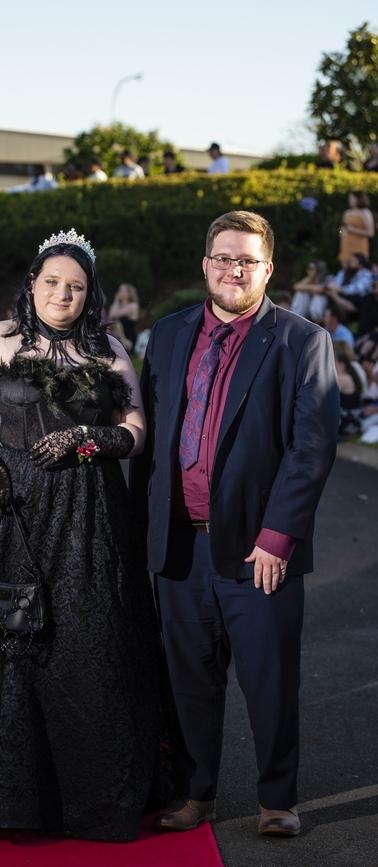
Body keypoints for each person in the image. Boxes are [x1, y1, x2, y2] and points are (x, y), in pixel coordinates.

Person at [0, 228, 166, 842]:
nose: (61, 294)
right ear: (32, 284)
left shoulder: (106, 348)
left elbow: (135, 426)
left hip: (88, 518)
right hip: (6, 509)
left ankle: (84, 802)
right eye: (52, 282)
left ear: (89, 294)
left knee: (84, 641)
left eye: (74, 287)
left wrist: (87, 441)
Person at [131, 210, 339, 839]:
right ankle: (197, 795)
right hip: (180, 547)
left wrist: (278, 536)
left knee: (268, 680)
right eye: (223, 257)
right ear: (205, 263)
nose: (233, 269)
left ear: (267, 269)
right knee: (188, 681)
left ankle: (277, 799)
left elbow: (312, 449)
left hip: (258, 551)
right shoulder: (166, 336)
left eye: (246, 260)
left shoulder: (302, 341)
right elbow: (151, 438)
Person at [324, 253, 374, 319]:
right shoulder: (347, 272)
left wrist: (339, 289)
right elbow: (337, 283)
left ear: (360, 263)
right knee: (331, 297)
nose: (350, 262)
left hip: (360, 301)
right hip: (347, 297)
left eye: (353, 261)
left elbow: (357, 289)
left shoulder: (366, 273)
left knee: (334, 296)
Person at [338, 191, 374, 264]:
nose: (349, 200)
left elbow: (370, 233)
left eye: (351, 198)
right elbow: (342, 227)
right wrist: (341, 233)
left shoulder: (365, 213)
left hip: (359, 247)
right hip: (346, 245)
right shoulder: (347, 212)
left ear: (358, 199)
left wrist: (353, 230)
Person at [109, 282, 140, 350]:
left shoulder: (133, 306)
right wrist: (116, 301)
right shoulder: (117, 305)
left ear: (129, 293)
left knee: (117, 324)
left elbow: (114, 315)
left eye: (122, 290)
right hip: (117, 336)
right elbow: (111, 316)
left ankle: (123, 343)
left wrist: (116, 301)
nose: (120, 292)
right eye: (119, 290)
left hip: (129, 338)